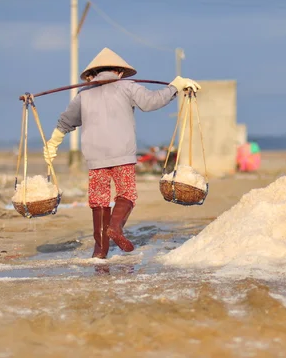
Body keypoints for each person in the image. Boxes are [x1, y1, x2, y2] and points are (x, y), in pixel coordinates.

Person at [43, 47, 201, 259]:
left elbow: (66, 122)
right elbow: (151, 102)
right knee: (127, 194)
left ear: (93, 75)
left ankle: (99, 252)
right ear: (118, 71)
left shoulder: (84, 95)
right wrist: (175, 86)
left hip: (95, 156)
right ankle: (115, 227)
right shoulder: (128, 86)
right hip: (122, 154)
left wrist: (52, 144)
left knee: (98, 200)